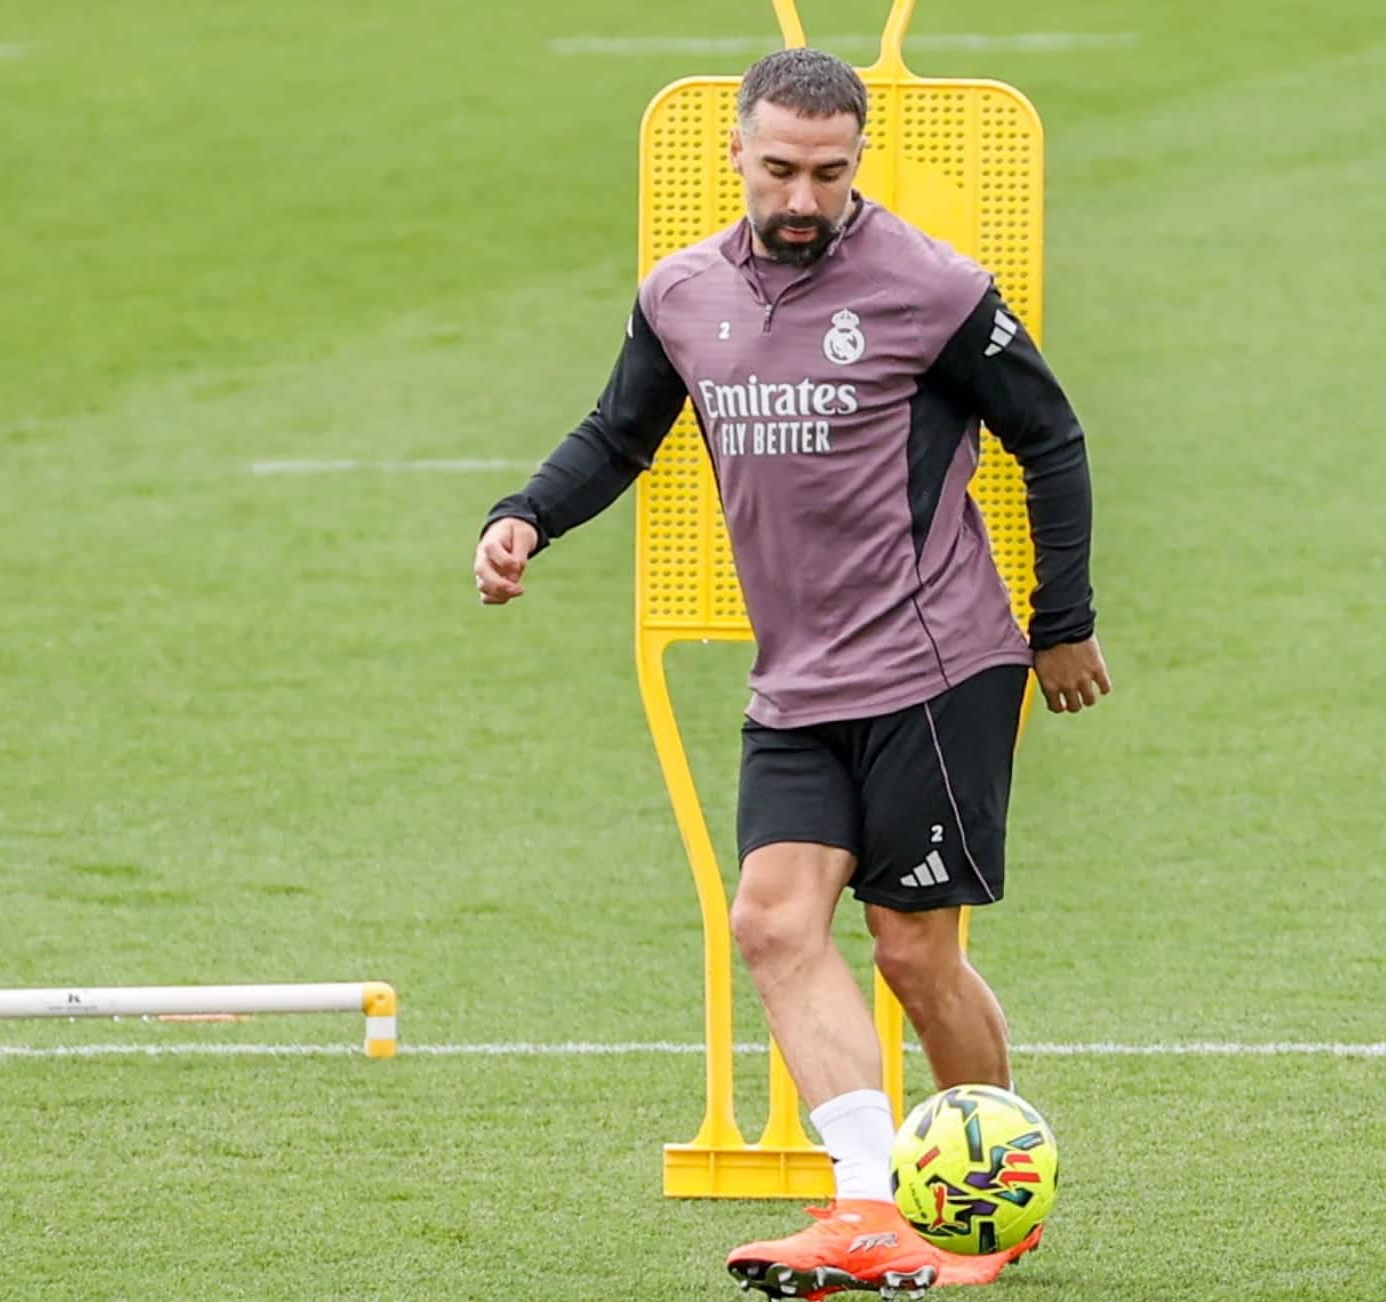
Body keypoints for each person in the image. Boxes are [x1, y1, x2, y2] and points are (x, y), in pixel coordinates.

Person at [472, 46, 1108, 1300]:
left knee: (914, 953)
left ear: (857, 157)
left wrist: (1062, 622)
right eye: (779, 170)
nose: (803, 197)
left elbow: (1052, 434)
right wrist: (528, 518)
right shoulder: (682, 292)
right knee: (770, 925)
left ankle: (993, 1205)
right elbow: (620, 432)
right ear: (736, 155)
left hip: (937, 666)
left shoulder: (932, 286)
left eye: (827, 171)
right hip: (797, 678)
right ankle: (870, 1204)